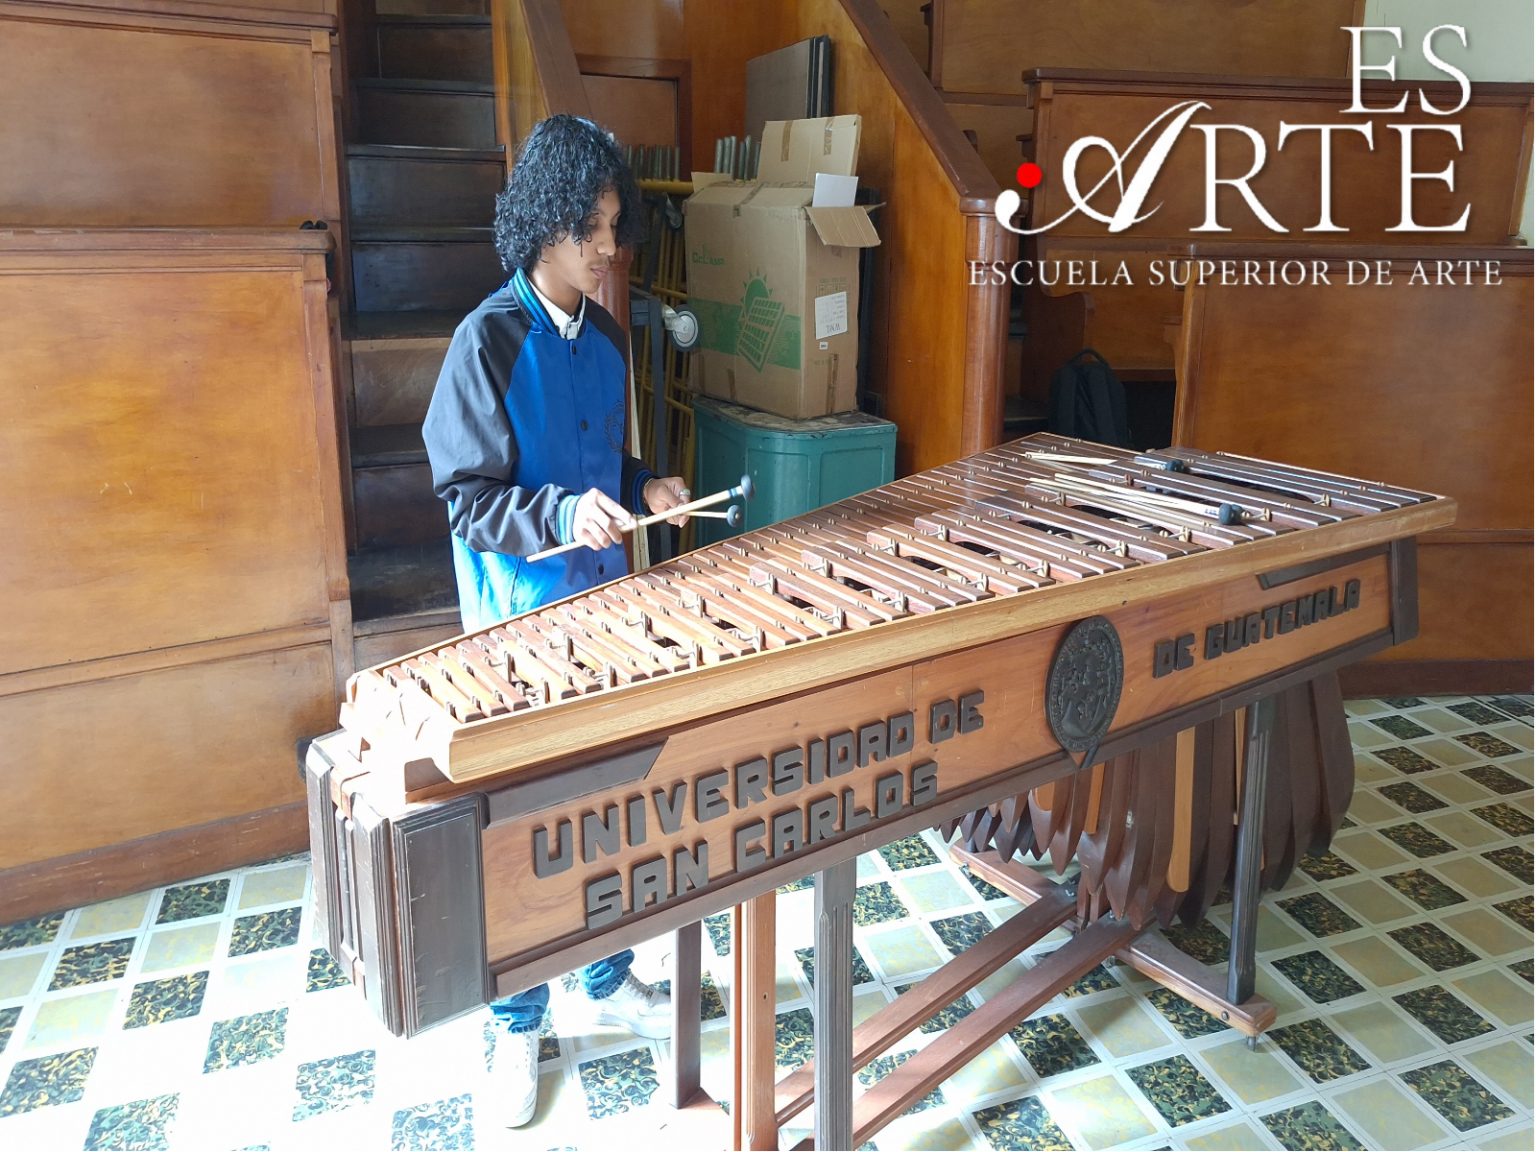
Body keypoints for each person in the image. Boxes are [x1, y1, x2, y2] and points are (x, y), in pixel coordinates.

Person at [422, 114, 690, 1130]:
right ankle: (517, 1020)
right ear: (549, 226)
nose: (612, 251)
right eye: (599, 230)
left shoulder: (612, 340)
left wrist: (640, 483)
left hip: (605, 606)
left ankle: (606, 970)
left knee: (611, 802)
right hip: (516, 626)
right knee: (526, 829)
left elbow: (595, 471)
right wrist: (557, 514)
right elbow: (468, 497)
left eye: (614, 228)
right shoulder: (485, 342)